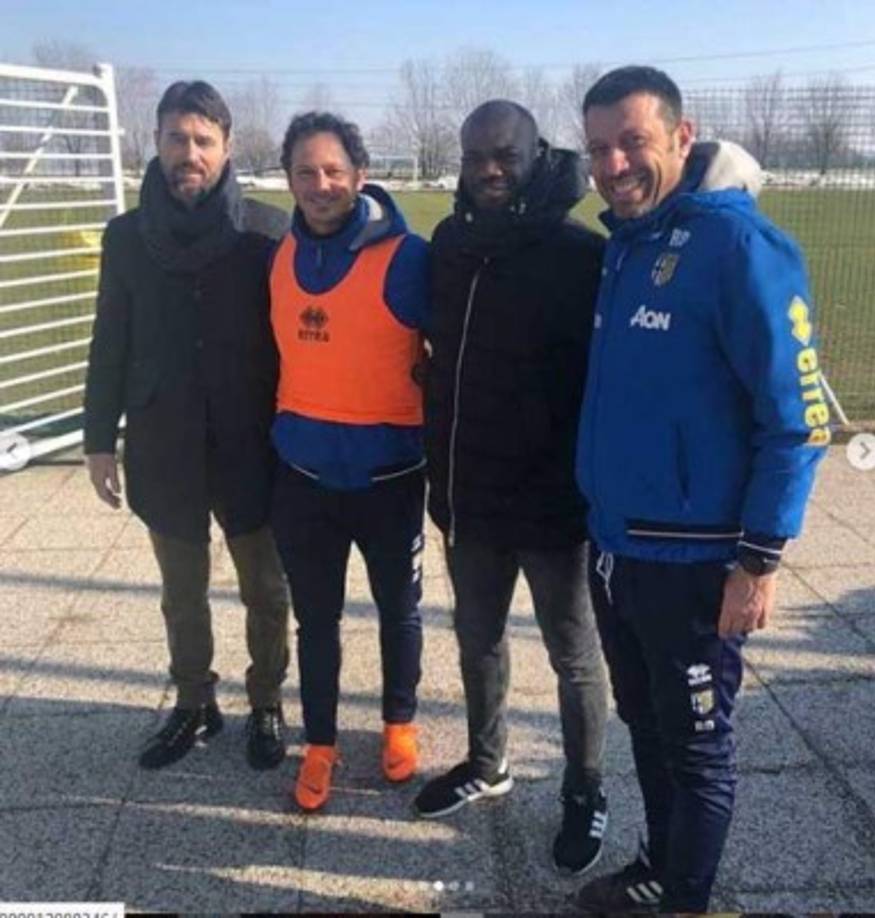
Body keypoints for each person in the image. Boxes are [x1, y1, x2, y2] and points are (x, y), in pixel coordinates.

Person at [574, 66, 829, 913]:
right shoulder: (627, 241)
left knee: (697, 747)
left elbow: (795, 421)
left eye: (633, 142)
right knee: (645, 729)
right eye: (599, 147)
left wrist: (757, 560)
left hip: (694, 566)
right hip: (617, 550)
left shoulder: (738, 247)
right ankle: (657, 863)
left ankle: (686, 900)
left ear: (683, 137)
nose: (613, 164)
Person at [412, 99, 611, 877]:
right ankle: (487, 762)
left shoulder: (577, 252)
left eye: (505, 154)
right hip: (470, 496)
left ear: (536, 153)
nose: (489, 170)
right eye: (474, 157)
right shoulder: (449, 245)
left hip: (554, 502)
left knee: (573, 655)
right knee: (477, 639)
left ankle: (585, 788)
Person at [84, 81, 291, 772]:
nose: (189, 153)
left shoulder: (266, 232)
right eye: (177, 138)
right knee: (181, 593)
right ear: (157, 143)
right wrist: (95, 440)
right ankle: (195, 704)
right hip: (161, 438)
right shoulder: (125, 237)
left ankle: (267, 701)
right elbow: (108, 339)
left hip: (250, 440)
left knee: (266, 588)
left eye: (204, 140)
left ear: (227, 147)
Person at [269, 112, 430, 813]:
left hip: (389, 477)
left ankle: (398, 722)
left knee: (399, 609)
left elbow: (454, 355)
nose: (320, 184)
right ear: (289, 180)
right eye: (305, 172)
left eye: (333, 170)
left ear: (360, 176)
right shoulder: (277, 254)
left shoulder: (408, 256)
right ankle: (322, 742)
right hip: (302, 478)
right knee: (316, 619)